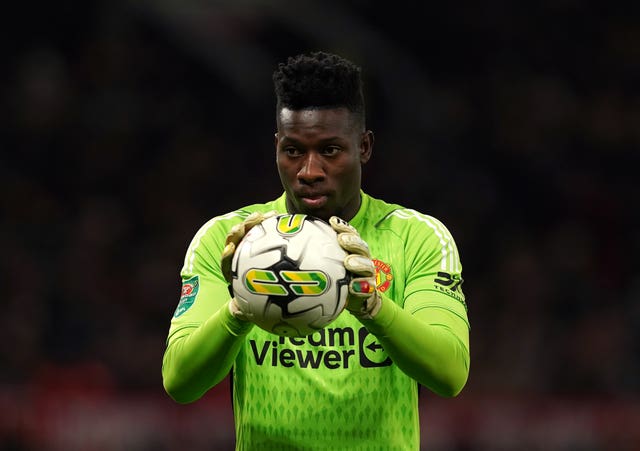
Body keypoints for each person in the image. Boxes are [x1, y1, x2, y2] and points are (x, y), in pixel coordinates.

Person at [162, 51, 470, 450]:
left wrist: (373, 306)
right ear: (276, 147)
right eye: (293, 151)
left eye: (329, 151)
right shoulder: (229, 239)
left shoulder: (417, 237)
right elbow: (180, 382)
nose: (309, 171)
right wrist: (238, 307)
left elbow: (450, 373)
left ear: (364, 146)